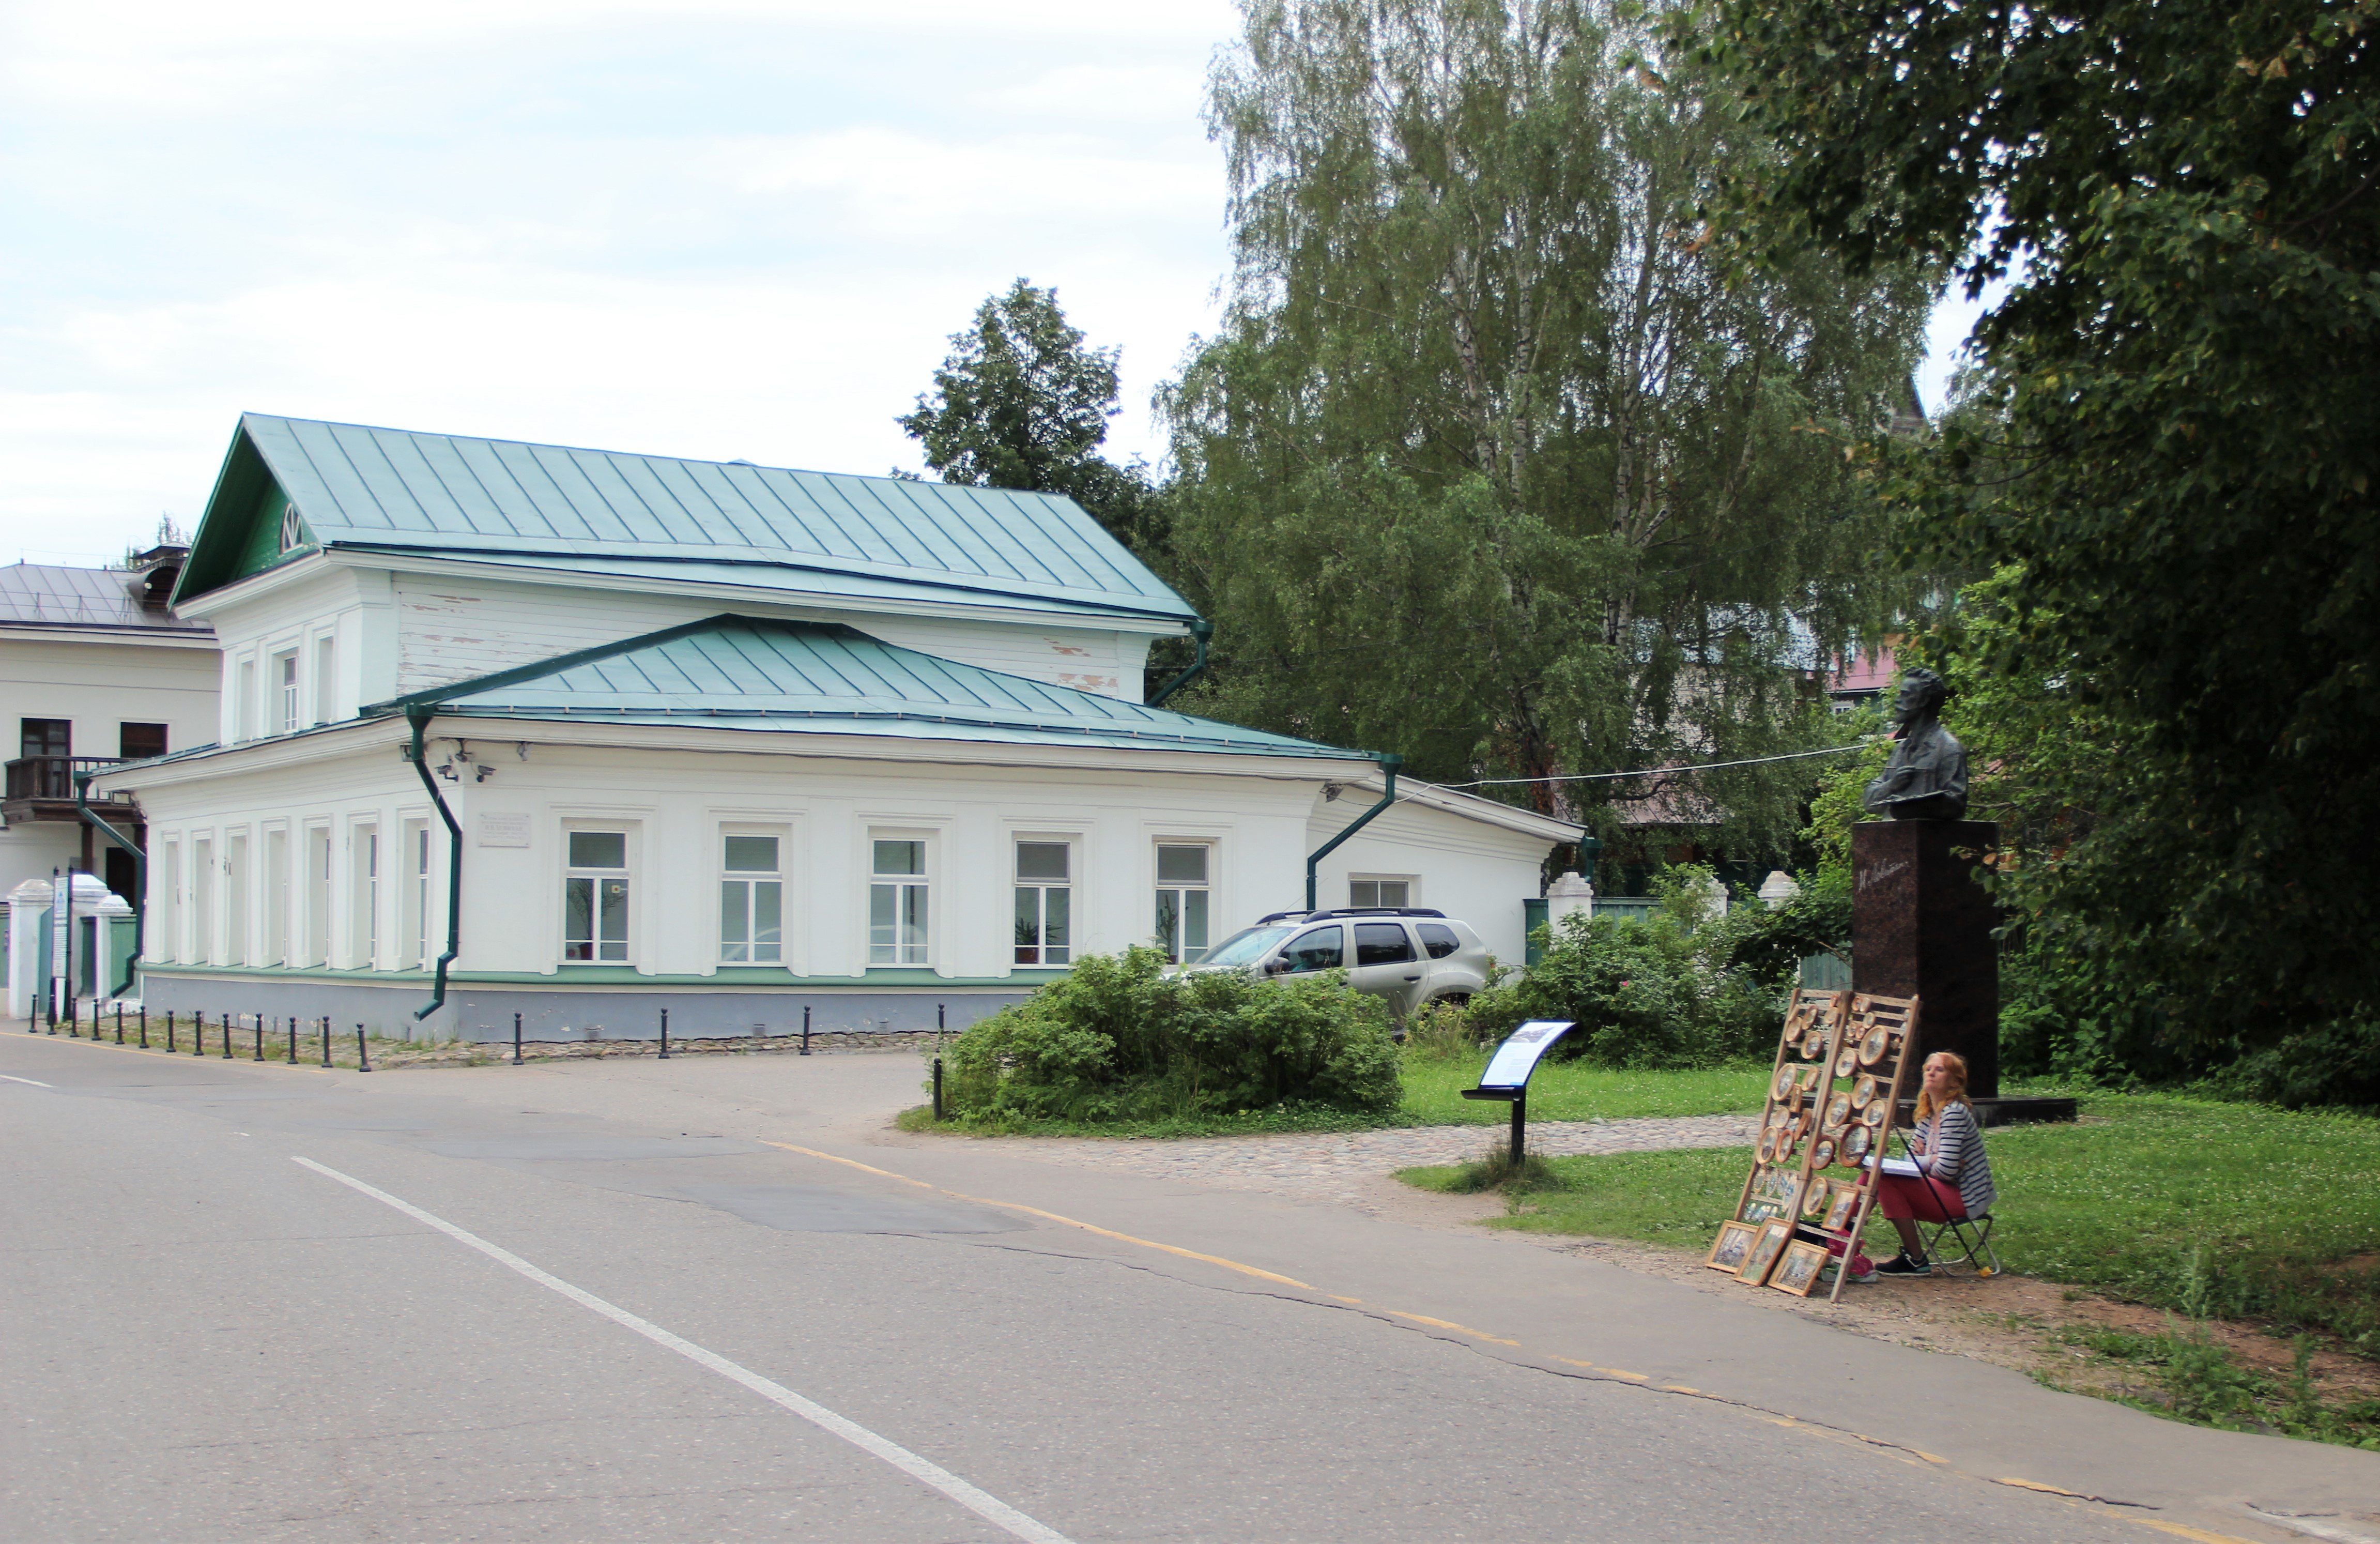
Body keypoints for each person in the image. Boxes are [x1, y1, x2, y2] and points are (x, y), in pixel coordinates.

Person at [1852, 1050, 1995, 1281]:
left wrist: (1929, 1162)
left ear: (1954, 1081)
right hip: (1939, 1188)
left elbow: (1947, 1171)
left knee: (1882, 1177)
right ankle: (1841, 1234)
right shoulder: (1929, 1114)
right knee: (1875, 1174)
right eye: (1928, 1069)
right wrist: (1933, 1159)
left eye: (1939, 1070)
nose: (1931, 1073)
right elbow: (1909, 1160)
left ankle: (1912, 1258)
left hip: (1964, 1197)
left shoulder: (1954, 1113)